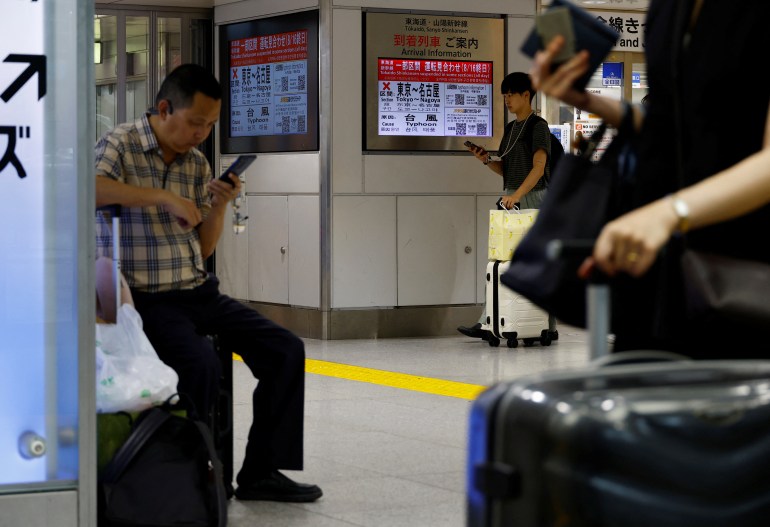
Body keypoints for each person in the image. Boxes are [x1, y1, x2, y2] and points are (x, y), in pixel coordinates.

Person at [94, 64, 323, 502]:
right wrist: (161, 196)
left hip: (197, 290)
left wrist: (217, 206)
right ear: (165, 109)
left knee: (285, 350)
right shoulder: (121, 144)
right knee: (200, 364)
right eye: (196, 122)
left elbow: (202, 248)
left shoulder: (196, 163)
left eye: (210, 125)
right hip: (145, 298)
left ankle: (260, 472)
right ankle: (191, 475)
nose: (202, 133)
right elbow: (90, 188)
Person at [529, 0, 770, 355]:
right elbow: (670, 123)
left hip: (744, 277)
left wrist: (670, 212)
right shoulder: (669, 8)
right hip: (659, 273)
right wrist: (589, 101)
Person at [457, 72, 558, 341]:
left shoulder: (539, 126)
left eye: (510, 94)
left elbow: (539, 168)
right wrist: (486, 160)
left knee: (534, 262)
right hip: (513, 196)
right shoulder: (512, 130)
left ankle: (546, 324)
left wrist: (517, 196)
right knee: (503, 260)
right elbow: (507, 170)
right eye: (504, 95)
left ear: (526, 95)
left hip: (534, 197)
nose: (506, 100)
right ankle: (491, 320)